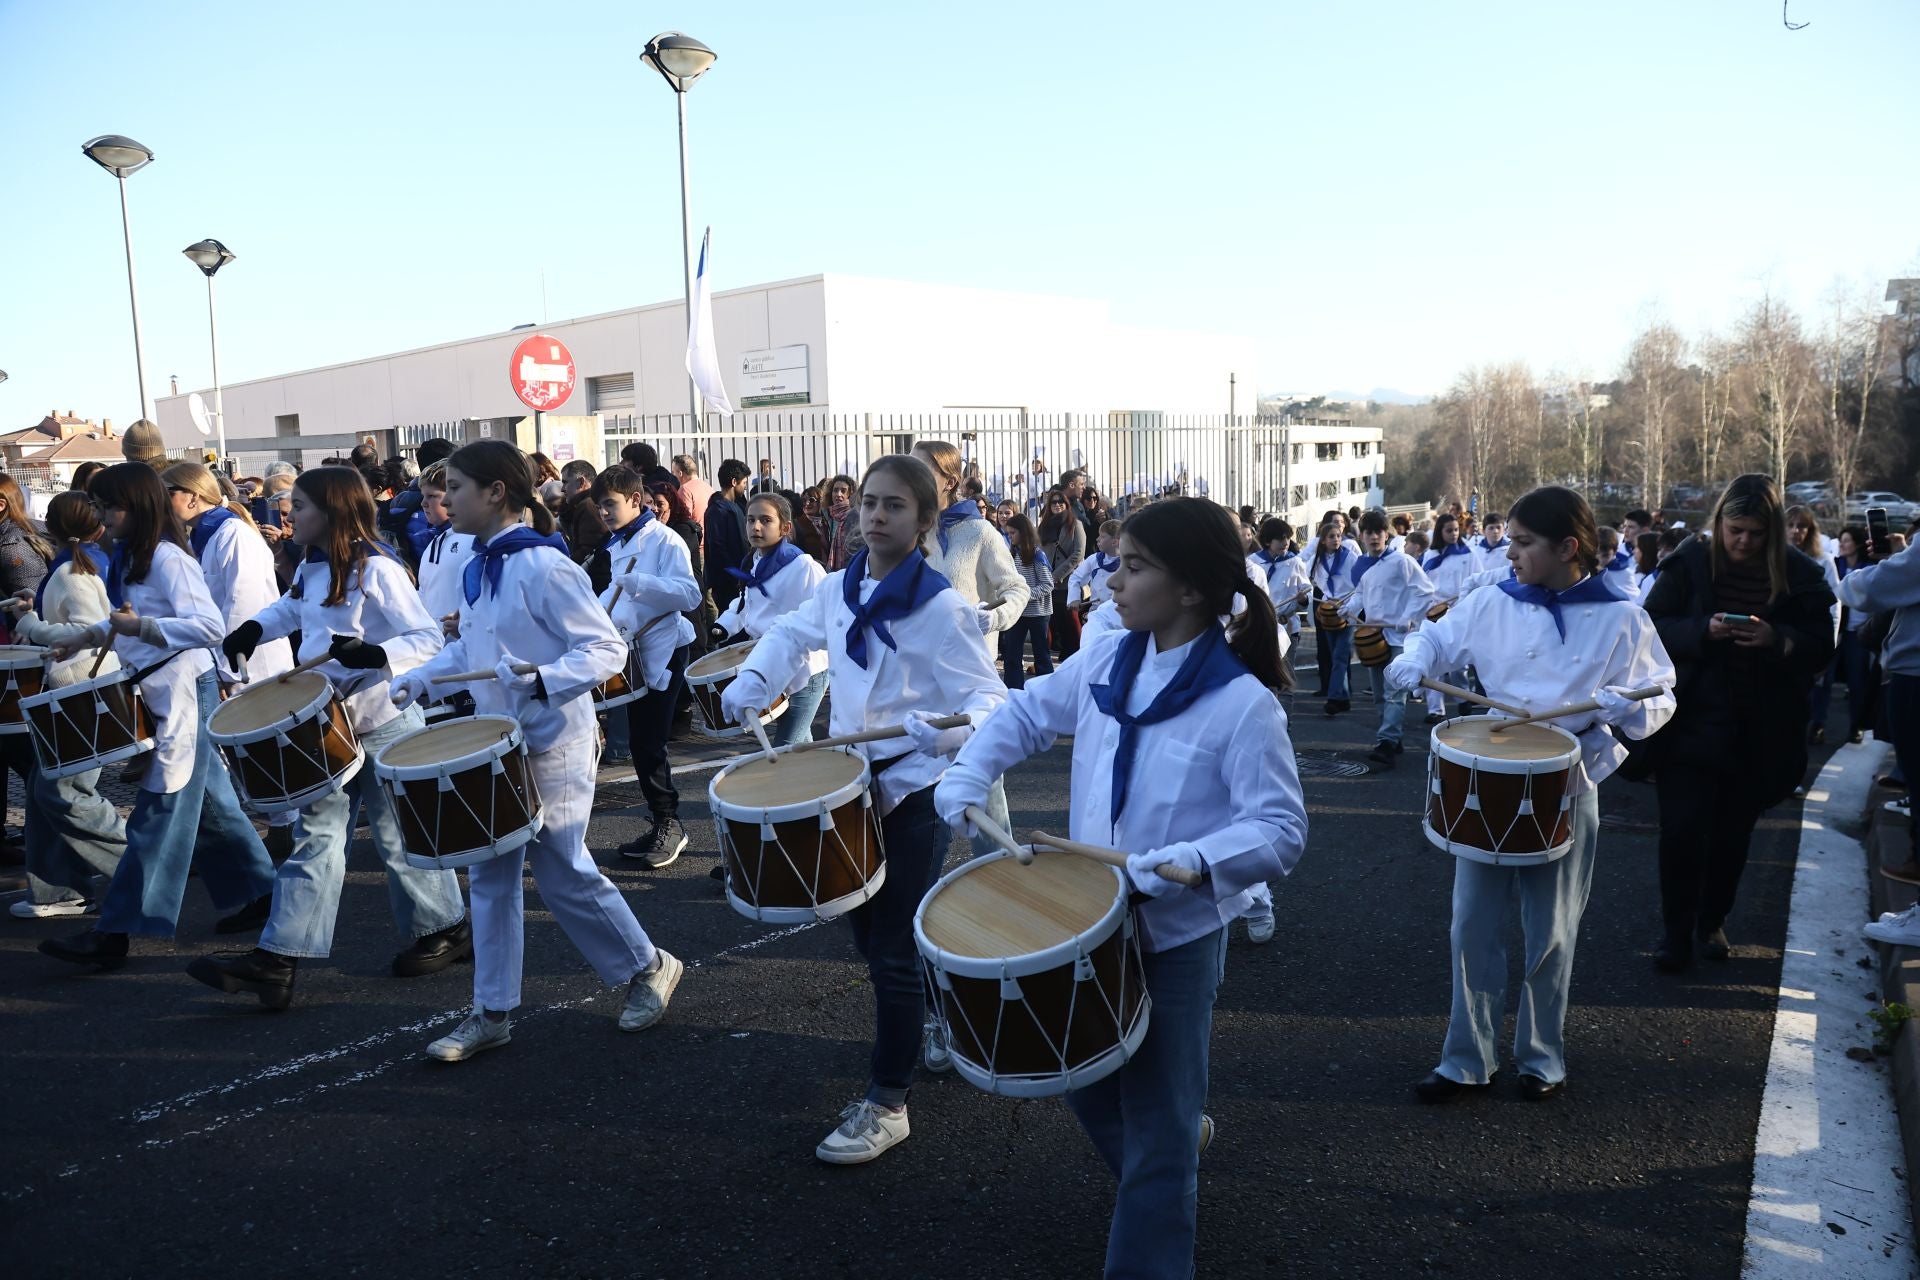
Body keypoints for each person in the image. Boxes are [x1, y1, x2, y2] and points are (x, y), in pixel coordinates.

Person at [935, 497, 1308, 1278]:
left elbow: (1279, 830)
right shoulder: (1106, 661)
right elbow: (1028, 713)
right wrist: (969, 770)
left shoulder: (1243, 704)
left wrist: (1195, 861)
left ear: (1193, 590)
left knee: (1161, 1131)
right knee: (1080, 1080)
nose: (1112, 583)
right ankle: (1162, 1167)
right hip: (1085, 923)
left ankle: (1158, 1208)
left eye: (1135, 568)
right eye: (1117, 564)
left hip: (1175, 938)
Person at [719, 453, 1004, 1165]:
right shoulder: (841, 586)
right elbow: (791, 634)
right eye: (868, 503)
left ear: (925, 521)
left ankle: (888, 1101)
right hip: (848, 789)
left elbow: (990, 699)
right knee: (864, 929)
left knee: (890, 951)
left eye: (894, 506)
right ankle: (937, 1019)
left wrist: (952, 728)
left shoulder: (943, 606)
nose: (875, 515)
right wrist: (755, 675)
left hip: (912, 791)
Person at [391, 440, 683, 1059]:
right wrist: (425, 675)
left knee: (562, 872)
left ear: (496, 492)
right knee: (490, 876)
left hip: (555, 740)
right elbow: (473, 654)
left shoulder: (545, 566)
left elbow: (606, 649)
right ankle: (491, 1010)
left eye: (458, 488)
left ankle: (648, 966)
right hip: (494, 744)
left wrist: (545, 679)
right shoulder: (476, 565)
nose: (441, 498)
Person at [1386, 485, 1676, 1101]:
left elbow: (1661, 690)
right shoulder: (1492, 597)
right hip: (1490, 775)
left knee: (1551, 931)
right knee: (1471, 927)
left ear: (1568, 547)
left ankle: (1542, 1057)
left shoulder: (1623, 614)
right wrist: (1415, 656)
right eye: (1511, 541)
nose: (1509, 553)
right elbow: (1438, 638)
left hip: (1570, 782)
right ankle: (1466, 1058)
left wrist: (1625, 707)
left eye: (1523, 543)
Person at [192, 467, 470, 1008]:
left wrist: (378, 655)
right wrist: (255, 628)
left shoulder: (378, 568)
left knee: (398, 839)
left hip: (385, 718)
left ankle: (448, 927)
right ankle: (278, 959)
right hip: (329, 726)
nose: (285, 513)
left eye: (298, 505)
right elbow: (293, 608)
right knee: (316, 838)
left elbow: (427, 635)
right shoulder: (312, 565)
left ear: (334, 510)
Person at [37, 464, 278, 969]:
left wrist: (140, 627)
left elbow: (209, 625)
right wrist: (87, 636)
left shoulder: (167, 556)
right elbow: (129, 618)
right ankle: (263, 891)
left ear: (138, 505)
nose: (101, 516)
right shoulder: (135, 553)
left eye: (109, 506)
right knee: (210, 801)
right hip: (170, 685)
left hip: (187, 687)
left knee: (158, 809)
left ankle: (115, 932)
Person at [1640, 475, 1835, 971]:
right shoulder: (1689, 563)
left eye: (1755, 533)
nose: (1744, 542)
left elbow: (1820, 645)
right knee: (1681, 831)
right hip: (1688, 723)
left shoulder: (1800, 573)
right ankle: (1674, 932)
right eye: (1735, 530)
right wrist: (1701, 631)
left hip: (1759, 727)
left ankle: (1711, 920)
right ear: (1720, 523)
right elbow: (1647, 626)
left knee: (1731, 834)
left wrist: (1778, 640)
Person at [910, 439, 1029, 886]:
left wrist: (991, 618)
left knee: (984, 792)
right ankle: (915, 896)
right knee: (916, 792)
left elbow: (1017, 589)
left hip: (968, 682)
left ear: (949, 480)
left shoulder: (978, 531)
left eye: (922, 471)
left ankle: (1004, 888)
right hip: (914, 680)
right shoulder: (908, 530)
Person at [7, 493, 128, 917]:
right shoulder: (84, 562)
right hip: (81, 689)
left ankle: (135, 870)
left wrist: (30, 624)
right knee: (45, 790)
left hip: (81, 691)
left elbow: (85, 628)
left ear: (51, 527)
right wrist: (35, 605)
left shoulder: (73, 570)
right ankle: (57, 892)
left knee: (62, 791)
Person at [590, 464, 702, 867]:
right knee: (641, 742)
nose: (603, 512)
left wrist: (640, 584)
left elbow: (690, 595)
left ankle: (671, 824)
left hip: (666, 649)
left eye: (609, 504)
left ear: (635, 500)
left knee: (649, 741)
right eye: (599, 506)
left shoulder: (666, 541)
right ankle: (661, 820)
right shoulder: (619, 542)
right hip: (634, 651)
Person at [715, 492, 829, 752]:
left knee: (786, 746)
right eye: (751, 519)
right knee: (799, 743)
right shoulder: (754, 560)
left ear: (785, 528)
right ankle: (819, 786)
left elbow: (822, 615)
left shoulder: (803, 567)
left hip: (807, 668)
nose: (756, 527)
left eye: (766, 520)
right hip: (772, 662)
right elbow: (746, 603)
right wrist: (726, 624)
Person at [1341, 510, 1436, 767]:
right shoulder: (1365, 565)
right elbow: (1361, 593)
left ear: (1386, 534)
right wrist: (1348, 608)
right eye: (1369, 532)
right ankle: (1392, 735)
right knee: (1380, 694)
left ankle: (1387, 741)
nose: (1374, 537)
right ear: (1362, 536)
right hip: (1373, 636)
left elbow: (1425, 591)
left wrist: (1408, 616)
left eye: (1378, 532)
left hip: (1399, 638)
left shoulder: (1401, 561)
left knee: (1395, 693)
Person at [1832, 526, 1876, 743]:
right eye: (1840, 540)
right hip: (1835, 631)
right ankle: (1817, 724)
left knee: (1857, 682)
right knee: (1825, 680)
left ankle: (1856, 725)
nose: (1841, 545)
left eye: (1846, 540)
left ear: (1857, 544)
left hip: (1857, 633)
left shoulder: (1868, 568)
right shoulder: (1834, 565)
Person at [1309, 520, 1360, 712]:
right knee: (1335, 655)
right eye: (1331, 536)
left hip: (1347, 610)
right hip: (1329, 612)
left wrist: (1350, 602)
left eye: (1339, 536)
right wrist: (1324, 598)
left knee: (1340, 655)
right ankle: (1344, 696)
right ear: (1322, 540)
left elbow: (1359, 583)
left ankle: (1333, 698)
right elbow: (1314, 581)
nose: (1336, 539)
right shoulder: (1318, 559)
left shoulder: (1350, 557)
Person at [1000, 514, 1054, 690]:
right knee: (1012, 653)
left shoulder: (1038, 555)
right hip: (1018, 611)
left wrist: (1024, 595)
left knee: (1041, 654)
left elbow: (1048, 584)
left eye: (1013, 533)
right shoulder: (1013, 553)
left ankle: (1046, 690)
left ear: (1023, 533)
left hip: (1038, 613)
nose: (1010, 536)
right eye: (1008, 533)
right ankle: (1013, 690)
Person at [1248, 517, 1310, 650]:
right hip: (1259, 625)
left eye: (1288, 538)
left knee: (1287, 669)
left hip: (1288, 625)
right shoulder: (1252, 562)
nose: (1286, 542)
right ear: (1267, 541)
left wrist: (1303, 599)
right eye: (1281, 539)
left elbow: (1307, 591)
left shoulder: (1295, 562)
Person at [1038, 488, 1085, 660]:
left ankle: (1074, 654)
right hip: (1048, 581)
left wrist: (1056, 575)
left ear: (1066, 504)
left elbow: (1078, 554)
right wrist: (1045, 576)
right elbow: (1040, 552)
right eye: (1053, 502)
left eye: (1060, 502)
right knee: (1053, 620)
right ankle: (1059, 654)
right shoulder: (1044, 526)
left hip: (1067, 581)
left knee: (1070, 621)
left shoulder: (1075, 525)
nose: (1057, 505)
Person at [705, 460, 751, 614]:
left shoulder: (735, 506)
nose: (745, 486)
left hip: (738, 577)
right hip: (727, 582)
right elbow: (717, 548)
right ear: (733, 482)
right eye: (744, 482)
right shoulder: (718, 510)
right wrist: (736, 575)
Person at [1069, 519, 1124, 614]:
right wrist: (1074, 598)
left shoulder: (1128, 563)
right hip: (1097, 611)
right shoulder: (1094, 559)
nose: (1097, 539)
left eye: (1102, 536)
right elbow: (1075, 577)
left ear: (1115, 542)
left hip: (1120, 614)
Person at [823, 474, 863, 570]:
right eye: (835, 490)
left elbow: (855, 551)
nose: (838, 494)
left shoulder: (854, 515)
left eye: (843, 491)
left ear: (850, 494)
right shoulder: (830, 516)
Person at [672, 454, 715, 518]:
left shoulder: (684, 490)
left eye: (673, 472)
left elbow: (684, 519)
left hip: (693, 527)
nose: (673, 475)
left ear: (680, 473)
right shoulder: (709, 488)